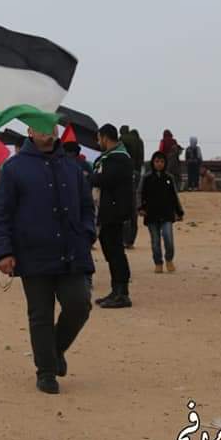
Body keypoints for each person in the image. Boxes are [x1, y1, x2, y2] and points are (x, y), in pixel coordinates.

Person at [0, 123, 94, 395]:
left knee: (79, 304)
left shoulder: (72, 168)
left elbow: (86, 208)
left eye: (50, 125)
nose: (47, 130)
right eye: (40, 126)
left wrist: (86, 235)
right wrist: (3, 251)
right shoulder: (15, 169)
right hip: (32, 253)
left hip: (71, 252)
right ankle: (46, 372)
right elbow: (0, 212)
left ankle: (54, 350)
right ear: (30, 132)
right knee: (40, 315)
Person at [90, 124, 134, 308]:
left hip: (114, 211)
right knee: (110, 250)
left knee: (115, 251)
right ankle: (115, 290)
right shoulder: (111, 158)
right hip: (107, 210)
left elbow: (107, 179)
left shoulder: (119, 158)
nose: (98, 142)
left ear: (105, 137)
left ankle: (122, 293)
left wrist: (88, 177)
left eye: (99, 138)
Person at [140, 151, 184, 273]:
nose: (159, 164)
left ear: (165, 163)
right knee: (155, 241)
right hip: (151, 214)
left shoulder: (169, 178)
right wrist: (140, 208)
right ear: (153, 163)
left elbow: (174, 195)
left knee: (168, 238)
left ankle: (169, 259)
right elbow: (140, 193)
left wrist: (179, 211)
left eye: (162, 162)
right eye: (157, 161)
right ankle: (158, 262)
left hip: (167, 213)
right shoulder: (146, 178)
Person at [120, 126, 144, 248]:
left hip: (125, 173)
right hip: (137, 172)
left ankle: (124, 239)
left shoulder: (122, 139)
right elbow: (141, 158)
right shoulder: (139, 141)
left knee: (124, 206)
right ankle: (131, 241)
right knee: (132, 206)